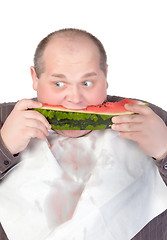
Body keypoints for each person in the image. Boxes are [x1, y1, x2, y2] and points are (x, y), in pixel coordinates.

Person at [0, 28, 167, 240]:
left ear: (105, 77)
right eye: (59, 83)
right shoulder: (3, 118)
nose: (75, 99)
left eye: (87, 83)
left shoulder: (148, 117)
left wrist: (164, 150)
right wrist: (3, 146)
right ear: (35, 78)